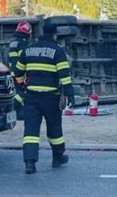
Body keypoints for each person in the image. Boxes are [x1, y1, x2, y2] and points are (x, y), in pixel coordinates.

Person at [14, 23, 75, 174]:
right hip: (50, 98)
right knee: (54, 128)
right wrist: (70, 94)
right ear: (55, 35)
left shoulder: (29, 49)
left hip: (32, 97)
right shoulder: (57, 51)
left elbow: (18, 72)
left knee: (31, 131)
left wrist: (22, 87)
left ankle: (30, 163)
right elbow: (64, 75)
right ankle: (57, 157)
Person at [8, 21, 32, 120]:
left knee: (18, 91)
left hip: (13, 72)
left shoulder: (13, 43)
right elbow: (25, 59)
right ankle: (12, 107)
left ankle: (20, 113)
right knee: (23, 92)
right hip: (20, 72)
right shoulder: (23, 44)